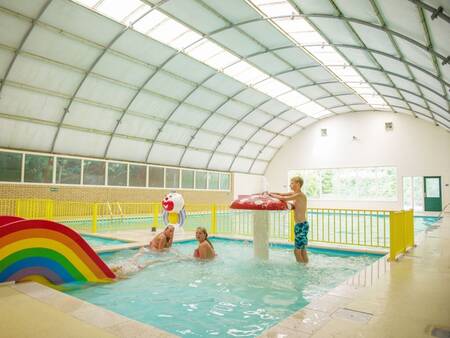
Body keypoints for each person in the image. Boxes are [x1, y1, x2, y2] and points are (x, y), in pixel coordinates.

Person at [268, 176, 309, 263]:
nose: (290, 185)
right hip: (300, 225)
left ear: (298, 184)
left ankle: (302, 270)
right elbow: (281, 194)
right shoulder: (294, 194)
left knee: (297, 251)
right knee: (302, 250)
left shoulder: (299, 195)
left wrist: (270, 195)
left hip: (302, 226)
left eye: (292, 183)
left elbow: (283, 198)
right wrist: (269, 193)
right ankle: (305, 267)